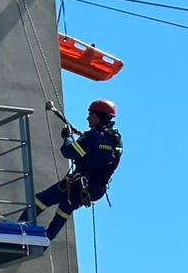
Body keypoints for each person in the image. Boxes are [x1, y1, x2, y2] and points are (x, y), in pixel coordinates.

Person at [21, 99, 122, 240]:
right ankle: (46, 239)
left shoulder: (93, 136)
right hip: (95, 189)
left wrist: (67, 136)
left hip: (78, 185)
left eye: (91, 114)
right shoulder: (115, 140)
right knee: (64, 210)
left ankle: (21, 227)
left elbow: (69, 151)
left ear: (100, 116)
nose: (88, 117)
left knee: (41, 200)